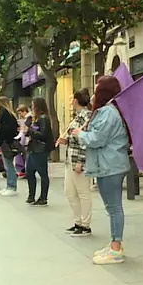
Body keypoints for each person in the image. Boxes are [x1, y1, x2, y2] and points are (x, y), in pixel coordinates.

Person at [77, 76, 132, 265]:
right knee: (112, 207)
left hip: (110, 166)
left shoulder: (109, 112)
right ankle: (114, 244)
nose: (94, 92)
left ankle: (116, 248)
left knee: (114, 207)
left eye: (97, 88)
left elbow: (97, 139)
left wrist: (80, 134)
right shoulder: (109, 110)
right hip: (107, 165)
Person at [57, 88, 94, 236]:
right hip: (70, 158)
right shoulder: (77, 116)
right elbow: (75, 137)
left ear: (76, 101)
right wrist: (65, 140)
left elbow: (85, 140)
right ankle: (77, 221)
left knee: (83, 192)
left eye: (72, 99)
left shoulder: (86, 117)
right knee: (69, 191)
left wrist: (81, 161)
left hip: (78, 159)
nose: (71, 101)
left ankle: (85, 224)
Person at [23, 97, 53, 206]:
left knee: (42, 173)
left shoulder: (43, 118)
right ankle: (31, 195)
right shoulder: (34, 118)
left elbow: (43, 134)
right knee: (29, 172)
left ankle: (43, 197)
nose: (31, 107)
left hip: (40, 149)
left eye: (33, 105)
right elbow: (32, 131)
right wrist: (26, 130)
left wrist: (30, 131)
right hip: (33, 148)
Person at [0, 97, 20, 196]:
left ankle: (11, 186)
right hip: (7, 142)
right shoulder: (9, 114)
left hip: (6, 142)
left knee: (8, 165)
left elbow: (7, 128)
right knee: (7, 164)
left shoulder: (4, 113)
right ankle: (9, 186)